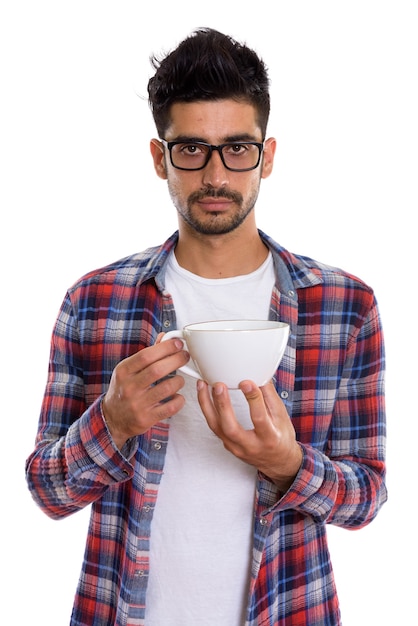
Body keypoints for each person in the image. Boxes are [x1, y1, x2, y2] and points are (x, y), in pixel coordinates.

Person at [25, 28, 387, 626]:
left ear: (266, 157)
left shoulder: (343, 305)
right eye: (190, 149)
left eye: (237, 148)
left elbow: (366, 496)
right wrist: (112, 422)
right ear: (158, 157)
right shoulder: (94, 300)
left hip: (287, 610)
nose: (215, 175)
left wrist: (288, 462)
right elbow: (48, 493)